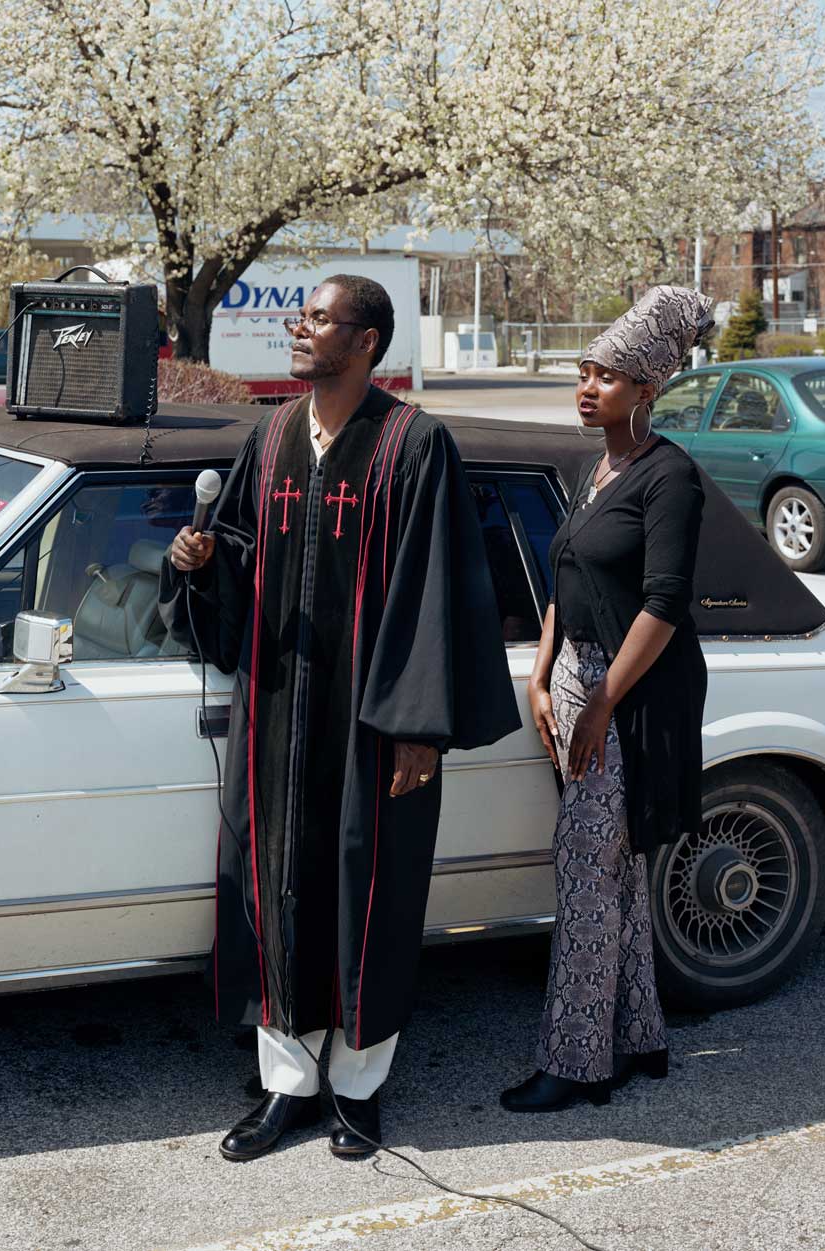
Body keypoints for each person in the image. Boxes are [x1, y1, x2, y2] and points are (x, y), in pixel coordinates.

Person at [162, 274, 520, 1161]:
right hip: (277, 713)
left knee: (371, 891)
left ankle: (360, 1092)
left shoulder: (414, 444)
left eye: (320, 319)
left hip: (371, 722)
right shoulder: (273, 434)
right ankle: (288, 1085)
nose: (301, 328)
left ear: (366, 342)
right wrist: (202, 562)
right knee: (274, 885)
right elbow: (243, 552)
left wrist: (417, 726)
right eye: (304, 315)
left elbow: (436, 590)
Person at [500, 285, 713, 1114]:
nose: (588, 386)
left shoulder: (671, 479)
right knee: (613, 871)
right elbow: (567, 576)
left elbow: (663, 603)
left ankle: (579, 1061)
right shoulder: (598, 468)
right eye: (585, 371)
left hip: (634, 691)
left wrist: (598, 703)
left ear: (649, 387)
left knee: (587, 871)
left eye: (609, 375)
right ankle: (641, 1035)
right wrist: (543, 667)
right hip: (578, 676)